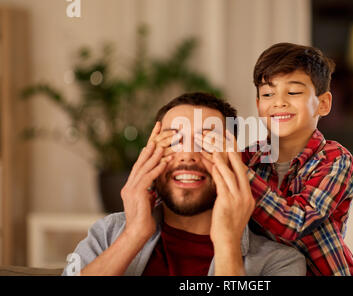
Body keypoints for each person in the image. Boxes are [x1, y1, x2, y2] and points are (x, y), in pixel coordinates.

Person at [62, 92, 306, 276]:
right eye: (173, 141)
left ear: (233, 161)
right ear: (150, 157)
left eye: (207, 141)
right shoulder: (107, 234)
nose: (188, 155)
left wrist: (227, 245)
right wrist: (133, 234)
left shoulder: (279, 263)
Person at [241, 43, 353, 275]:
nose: (279, 102)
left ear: (323, 104)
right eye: (268, 94)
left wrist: (237, 170)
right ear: (258, 105)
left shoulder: (335, 159)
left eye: (293, 92)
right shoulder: (247, 158)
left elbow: (295, 222)